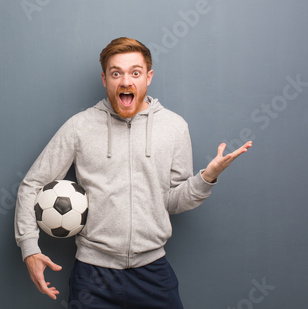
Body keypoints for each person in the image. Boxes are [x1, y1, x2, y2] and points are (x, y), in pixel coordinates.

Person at [14, 37, 252, 308]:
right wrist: (29, 249)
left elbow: (172, 201)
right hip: (93, 276)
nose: (126, 81)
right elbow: (32, 184)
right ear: (105, 79)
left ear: (148, 77)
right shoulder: (79, 127)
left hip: (153, 273)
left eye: (135, 72)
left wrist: (206, 179)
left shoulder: (174, 127)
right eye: (116, 73)